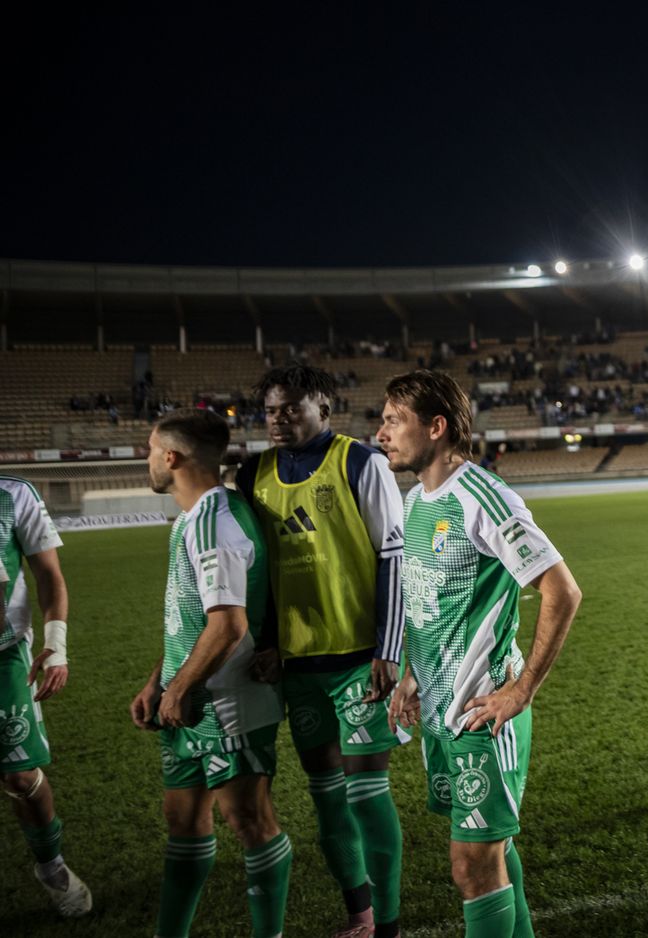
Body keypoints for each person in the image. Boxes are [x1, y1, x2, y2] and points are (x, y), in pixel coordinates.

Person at [378, 370, 582, 938]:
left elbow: (561, 590)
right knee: (492, 852)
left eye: (395, 419)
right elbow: (430, 602)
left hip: (482, 713)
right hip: (443, 711)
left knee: (471, 867)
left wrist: (521, 691)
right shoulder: (416, 500)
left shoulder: (483, 496)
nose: (382, 431)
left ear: (436, 427)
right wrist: (413, 677)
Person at [236, 364, 406, 938]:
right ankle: (358, 914)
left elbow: (394, 555)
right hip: (298, 665)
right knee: (327, 802)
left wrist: (388, 646)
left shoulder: (361, 461)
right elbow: (253, 572)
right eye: (271, 410)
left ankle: (389, 923)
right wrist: (266, 643)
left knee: (366, 794)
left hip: (360, 658)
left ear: (324, 410)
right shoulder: (252, 474)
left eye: (292, 408)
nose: (280, 420)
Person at [129, 408, 291, 938]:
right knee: (182, 819)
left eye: (152, 451)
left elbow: (228, 626)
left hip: (228, 703)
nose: (148, 460)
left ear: (172, 457)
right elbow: (192, 614)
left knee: (250, 822)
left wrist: (181, 685)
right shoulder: (196, 517)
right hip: (191, 698)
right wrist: (160, 679)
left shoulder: (214, 521)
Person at [0, 474, 91, 917]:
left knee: (19, 778)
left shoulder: (14, 494)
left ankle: (50, 865)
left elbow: (49, 574)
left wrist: (56, 645)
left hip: (4, 654)